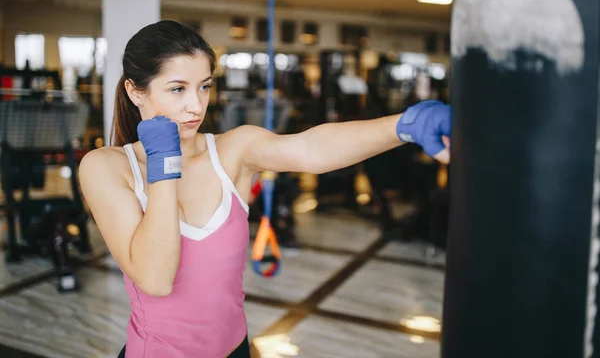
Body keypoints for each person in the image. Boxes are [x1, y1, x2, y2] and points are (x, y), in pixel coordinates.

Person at [78, 20, 451, 358]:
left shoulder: (232, 150)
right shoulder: (106, 167)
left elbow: (311, 149)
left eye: (204, 87)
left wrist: (405, 125)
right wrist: (164, 164)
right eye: (177, 89)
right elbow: (156, 279)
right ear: (135, 91)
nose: (195, 106)